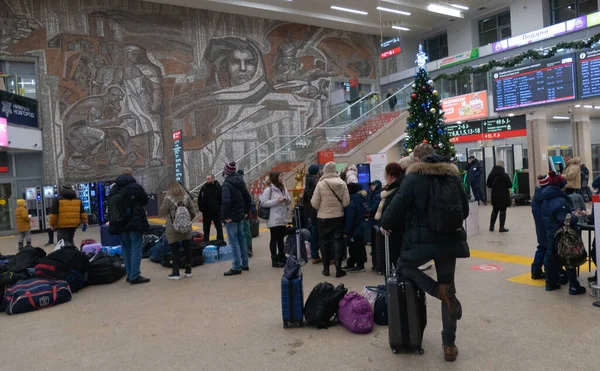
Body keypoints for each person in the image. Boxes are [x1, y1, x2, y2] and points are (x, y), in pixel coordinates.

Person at [381, 145, 469, 363]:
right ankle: (449, 345)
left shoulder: (414, 177)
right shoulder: (452, 176)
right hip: (450, 239)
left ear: (417, 159)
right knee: (449, 285)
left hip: (421, 242)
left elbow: (396, 208)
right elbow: (465, 209)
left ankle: (436, 290)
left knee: (404, 266)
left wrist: (385, 223)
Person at [540, 171, 586, 295]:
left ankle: (550, 283)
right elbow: (565, 219)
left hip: (551, 232)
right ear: (560, 186)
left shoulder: (546, 198)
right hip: (562, 234)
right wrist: (574, 216)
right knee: (569, 257)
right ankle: (574, 286)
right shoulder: (560, 200)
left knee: (551, 257)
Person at [108, 171, 151, 285]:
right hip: (134, 221)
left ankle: (129, 274)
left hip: (119, 223)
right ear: (130, 176)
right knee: (136, 247)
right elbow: (145, 200)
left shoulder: (114, 188)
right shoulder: (135, 187)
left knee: (126, 249)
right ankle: (135, 276)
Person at [311, 161, 350, 277]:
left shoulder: (321, 184)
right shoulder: (342, 183)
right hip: (338, 217)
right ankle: (338, 269)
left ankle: (326, 269)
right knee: (337, 242)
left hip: (323, 218)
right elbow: (346, 202)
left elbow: (314, 203)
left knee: (324, 242)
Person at [159, 181, 197, 280]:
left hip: (172, 228)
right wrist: (187, 221)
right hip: (186, 227)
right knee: (187, 248)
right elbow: (193, 211)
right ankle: (188, 270)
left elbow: (162, 212)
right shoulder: (186, 197)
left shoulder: (168, 198)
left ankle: (176, 272)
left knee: (174, 250)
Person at [221, 162, 252, 276]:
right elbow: (247, 198)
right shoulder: (240, 182)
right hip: (240, 215)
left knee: (233, 242)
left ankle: (236, 266)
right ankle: (245, 263)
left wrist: (225, 217)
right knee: (242, 239)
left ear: (226, 172)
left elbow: (226, 202)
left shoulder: (226, 185)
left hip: (231, 217)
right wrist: (245, 212)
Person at [376, 162, 406, 268]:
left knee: (395, 260)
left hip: (394, 231)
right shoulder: (395, 188)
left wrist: (385, 224)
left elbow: (394, 210)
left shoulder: (396, 190)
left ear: (390, 175)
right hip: (393, 230)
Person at [260, 171, 292, 268]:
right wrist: (277, 201)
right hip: (273, 218)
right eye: (280, 175)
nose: (282, 177)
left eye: (282, 175)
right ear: (275, 178)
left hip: (282, 218)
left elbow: (289, 201)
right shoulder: (269, 190)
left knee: (281, 239)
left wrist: (286, 199)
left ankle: (282, 256)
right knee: (274, 239)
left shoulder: (283, 188)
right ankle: (274, 259)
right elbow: (264, 203)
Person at [343, 182, 367, 272]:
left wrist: (346, 231)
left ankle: (359, 265)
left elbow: (350, 217)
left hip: (354, 228)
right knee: (357, 246)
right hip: (359, 226)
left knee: (355, 247)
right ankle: (352, 263)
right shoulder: (359, 199)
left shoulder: (351, 201)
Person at [531, 174, 550, 280]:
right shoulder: (544, 198)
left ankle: (536, 271)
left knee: (542, 246)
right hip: (545, 225)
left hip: (539, 225)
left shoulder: (537, 196)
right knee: (545, 247)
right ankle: (540, 271)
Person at [486, 161, 512, 233]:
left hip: (495, 195)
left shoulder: (491, 175)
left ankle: (491, 226)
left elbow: (488, 185)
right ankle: (501, 227)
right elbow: (510, 185)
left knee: (494, 210)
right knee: (503, 211)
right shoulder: (505, 175)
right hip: (504, 195)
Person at [303, 164, 321, 264]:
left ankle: (314, 255)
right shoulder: (316, 181)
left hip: (310, 211)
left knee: (314, 232)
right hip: (318, 209)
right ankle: (325, 255)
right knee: (321, 233)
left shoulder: (307, 180)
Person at [198, 174, 224, 241]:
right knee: (206, 230)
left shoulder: (218, 187)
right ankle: (206, 244)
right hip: (206, 212)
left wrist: (219, 209)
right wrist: (201, 208)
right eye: (206, 179)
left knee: (219, 229)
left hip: (216, 212)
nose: (207, 180)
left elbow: (222, 199)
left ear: (213, 179)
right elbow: (199, 199)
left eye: (208, 179)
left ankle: (220, 243)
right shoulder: (203, 188)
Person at [237, 170, 254, 257]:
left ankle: (248, 249)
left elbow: (248, 199)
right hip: (241, 212)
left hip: (243, 212)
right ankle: (247, 249)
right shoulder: (240, 185)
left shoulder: (241, 186)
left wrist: (246, 211)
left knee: (245, 231)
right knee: (245, 231)